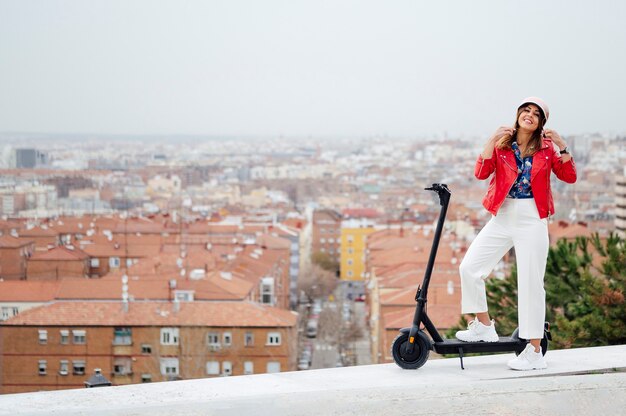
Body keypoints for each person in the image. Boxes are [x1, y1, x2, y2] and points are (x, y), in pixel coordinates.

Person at [455, 97, 577, 370]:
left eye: (536, 113)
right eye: (526, 110)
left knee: (531, 284)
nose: (530, 115)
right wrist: (491, 140)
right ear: (518, 114)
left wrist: (563, 146)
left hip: (533, 217)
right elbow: (480, 172)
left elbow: (568, 176)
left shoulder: (546, 148)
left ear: (541, 123)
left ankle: (534, 351)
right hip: (503, 214)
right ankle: (484, 326)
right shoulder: (502, 145)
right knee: (469, 268)